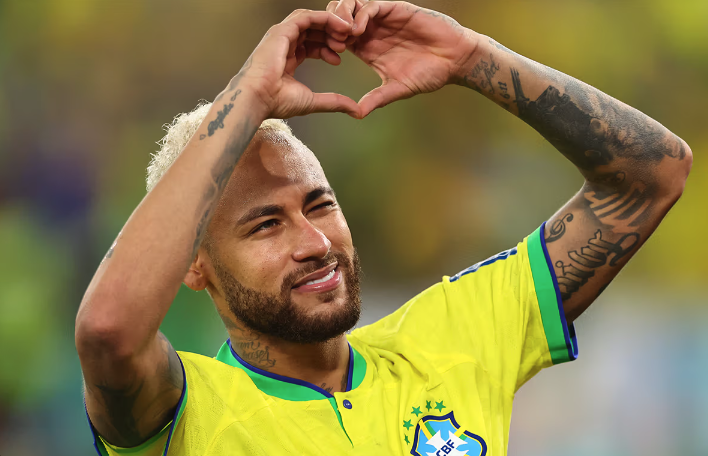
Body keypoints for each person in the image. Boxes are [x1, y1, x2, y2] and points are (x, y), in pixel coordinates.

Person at [75, 1, 692, 455]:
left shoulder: (450, 337)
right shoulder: (181, 415)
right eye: (265, 226)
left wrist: (471, 58)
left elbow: (651, 174)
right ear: (193, 263)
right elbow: (107, 332)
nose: (315, 244)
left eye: (319, 205)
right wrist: (248, 97)